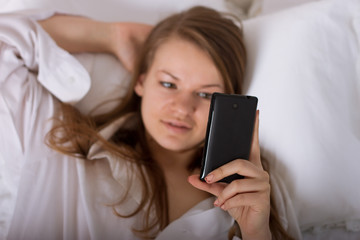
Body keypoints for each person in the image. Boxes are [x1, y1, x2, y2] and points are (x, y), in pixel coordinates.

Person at [0, 6, 298, 240]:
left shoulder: (255, 189)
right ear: (140, 81)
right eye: (169, 84)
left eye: (206, 94)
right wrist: (112, 36)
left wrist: (256, 234)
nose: (182, 108)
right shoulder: (59, 143)